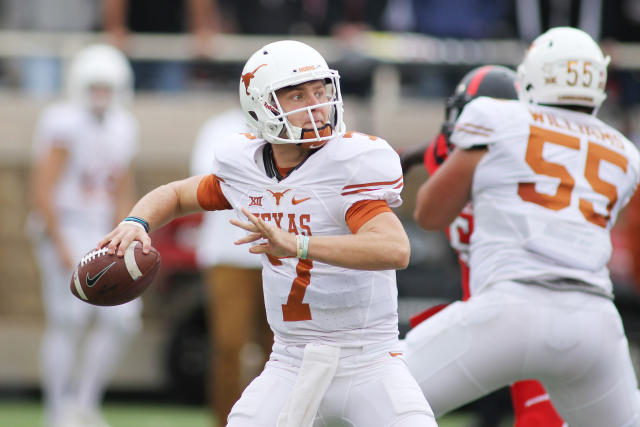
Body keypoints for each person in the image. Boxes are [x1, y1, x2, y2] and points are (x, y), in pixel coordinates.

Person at [98, 40, 436, 426]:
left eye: (320, 90)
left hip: (369, 360)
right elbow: (175, 195)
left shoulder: (347, 165)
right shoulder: (246, 167)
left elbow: (395, 248)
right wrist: (136, 223)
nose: (316, 104)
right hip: (290, 361)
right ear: (262, 105)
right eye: (297, 94)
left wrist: (298, 244)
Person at [403, 26, 640, 426]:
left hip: (510, 308)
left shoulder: (495, 115)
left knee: (376, 396)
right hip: (594, 322)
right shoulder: (625, 151)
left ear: (532, 74)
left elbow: (430, 215)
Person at [400, 64, 565, 427]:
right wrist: (409, 156)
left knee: (394, 397)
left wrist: (407, 159)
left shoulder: (500, 159)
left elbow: (429, 210)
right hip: (500, 308)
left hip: (517, 306)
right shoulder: (479, 152)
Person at [28, 44, 142, 427]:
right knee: (68, 320)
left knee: (124, 320)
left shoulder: (125, 124)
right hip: (65, 224)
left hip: (101, 231)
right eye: (94, 86)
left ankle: (85, 402)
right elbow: (43, 188)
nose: (100, 95)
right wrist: (60, 242)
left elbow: (122, 186)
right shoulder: (63, 121)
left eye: (107, 87)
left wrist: (126, 231)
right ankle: (57, 410)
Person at [189, 109, 272, 424]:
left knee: (282, 349)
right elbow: (209, 185)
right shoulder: (221, 128)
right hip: (229, 251)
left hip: (285, 252)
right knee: (228, 345)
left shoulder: (300, 124)